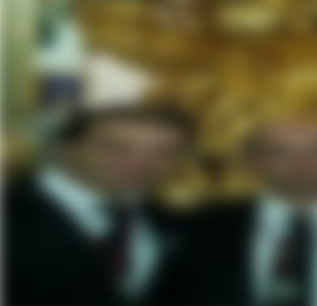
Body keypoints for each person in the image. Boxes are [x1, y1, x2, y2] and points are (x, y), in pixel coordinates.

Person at [3, 104, 195, 306]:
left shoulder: (171, 219)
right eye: (115, 147)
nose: (141, 162)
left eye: (165, 152)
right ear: (65, 149)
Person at [170, 113, 317, 306]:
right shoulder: (205, 228)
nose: (301, 164)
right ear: (255, 161)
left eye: (316, 151)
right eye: (281, 152)